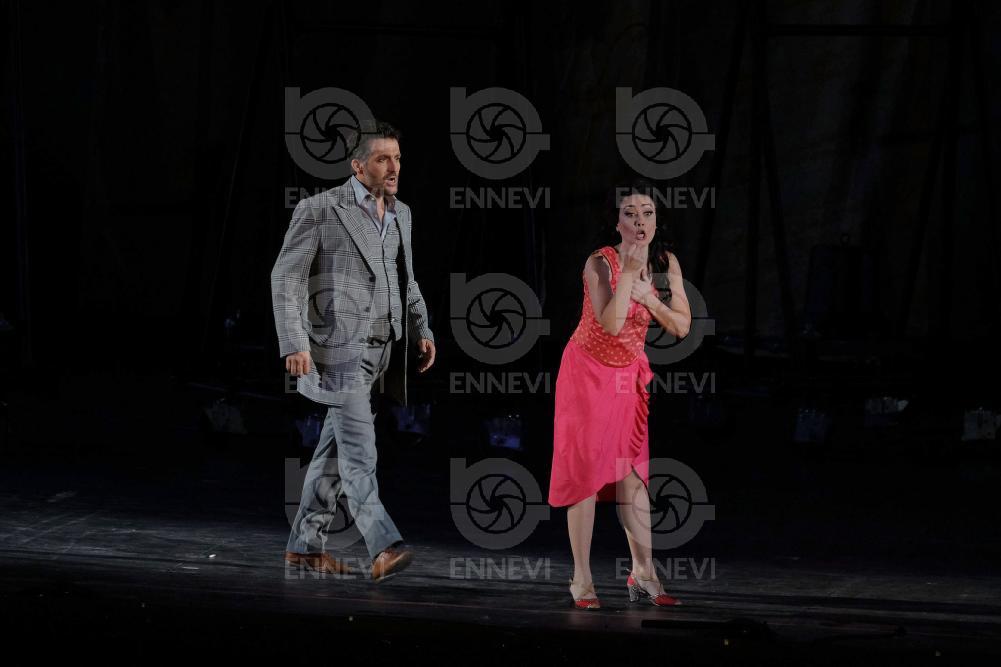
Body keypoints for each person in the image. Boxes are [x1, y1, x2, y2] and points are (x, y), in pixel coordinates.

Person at [271, 120, 436, 582]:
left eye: (397, 158)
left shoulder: (401, 213)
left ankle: (305, 546)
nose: (393, 167)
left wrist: (421, 328)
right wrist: (294, 343)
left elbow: (407, 279)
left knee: (332, 452)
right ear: (358, 166)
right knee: (360, 453)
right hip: (339, 353)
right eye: (383, 159)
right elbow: (286, 277)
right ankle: (383, 544)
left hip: (384, 352)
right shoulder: (320, 209)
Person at [548, 181, 692, 608]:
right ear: (616, 222)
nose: (640, 222)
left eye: (647, 213)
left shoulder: (666, 262)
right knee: (587, 476)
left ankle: (643, 573)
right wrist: (629, 275)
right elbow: (610, 324)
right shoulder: (600, 263)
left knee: (631, 475)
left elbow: (682, 326)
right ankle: (581, 579)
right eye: (630, 214)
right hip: (587, 374)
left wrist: (651, 298)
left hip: (628, 376)